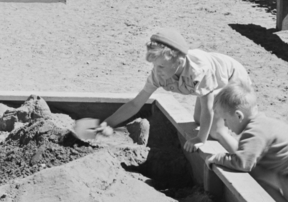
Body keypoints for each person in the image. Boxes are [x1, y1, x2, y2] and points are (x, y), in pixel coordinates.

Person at [96, 27, 251, 154]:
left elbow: (208, 108)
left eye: (161, 66)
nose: (157, 70)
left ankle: (247, 161)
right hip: (213, 83)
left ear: (179, 61)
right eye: (154, 65)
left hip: (231, 80)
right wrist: (108, 123)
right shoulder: (159, 74)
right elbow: (136, 104)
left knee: (216, 130)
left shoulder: (198, 70)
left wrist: (200, 139)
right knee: (198, 120)